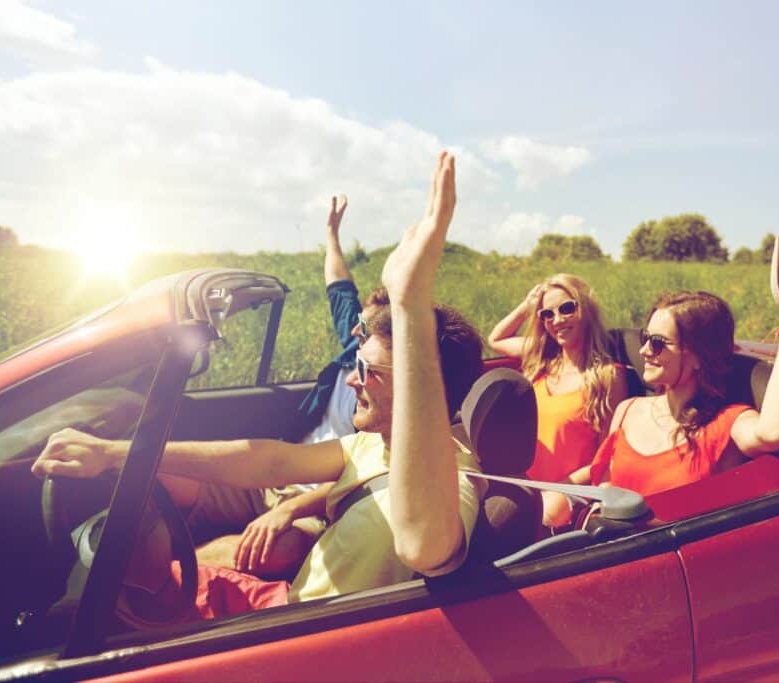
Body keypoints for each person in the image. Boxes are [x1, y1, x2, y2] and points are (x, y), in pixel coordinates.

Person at [33, 152, 485, 611]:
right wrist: (121, 453)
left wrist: (410, 305)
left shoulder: (454, 479)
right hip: (286, 603)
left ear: (421, 386)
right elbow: (272, 462)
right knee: (140, 581)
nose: (352, 380)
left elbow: (424, 545)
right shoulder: (377, 441)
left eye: (368, 370)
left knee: (104, 608)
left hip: (295, 636)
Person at [186, 194, 387, 580]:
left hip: (324, 503)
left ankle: (161, 579)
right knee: (173, 480)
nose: (356, 333)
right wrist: (331, 234)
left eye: (366, 332)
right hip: (283, 473)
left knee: (266, 552)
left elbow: (364, 479)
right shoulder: (355, 343)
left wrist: (289, 510)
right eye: (358, 328)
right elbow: (339, 286)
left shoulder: (392, 400)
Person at [585, 276, 779, 498]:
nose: (644, 350)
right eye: (645, 337)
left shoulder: (727, 423)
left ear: (699, 357)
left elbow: (774, 433)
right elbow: (607, 486)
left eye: (658, 342)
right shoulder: (627, 410)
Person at [488, 274, 627, 527]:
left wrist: (559, 488)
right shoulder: (542, 360)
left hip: (571, 489)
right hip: (527, 482)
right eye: (547, 314)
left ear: (585, 308)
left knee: (545, 512)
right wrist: (527, 306)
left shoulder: (608, 376)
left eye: (566, 308)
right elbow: (496, 339)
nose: (557, 320)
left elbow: (606, 455)